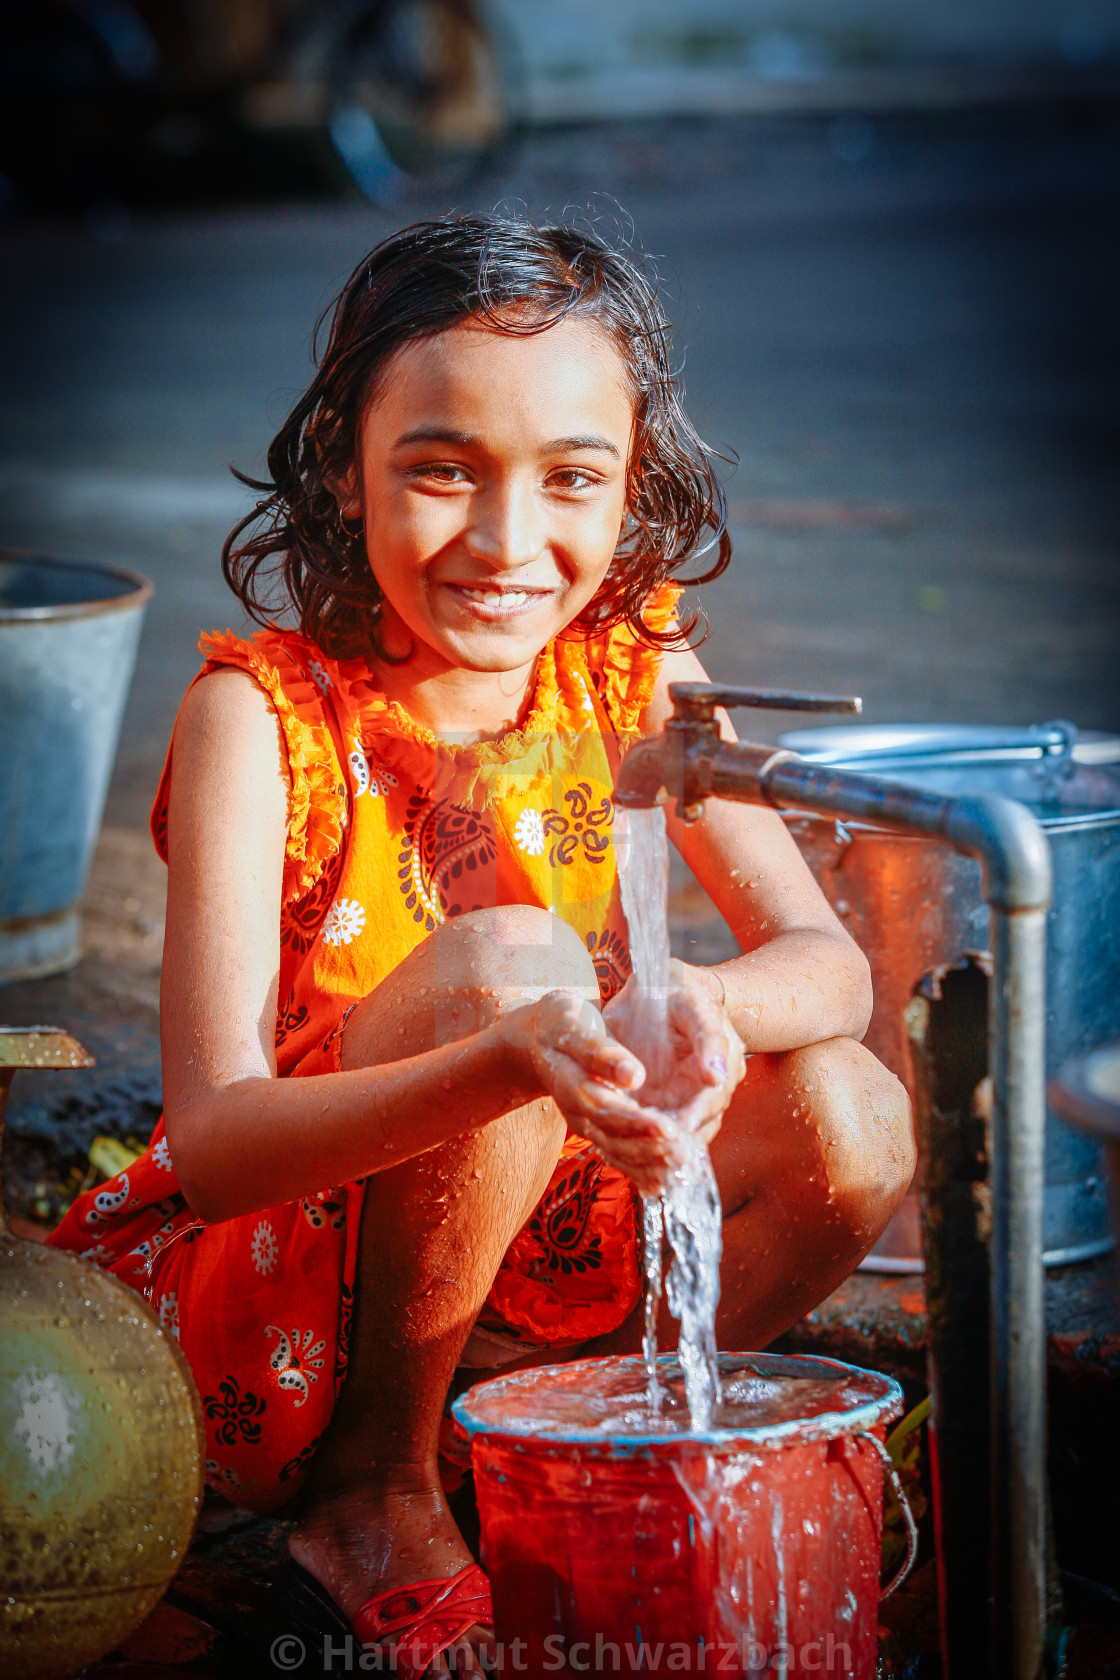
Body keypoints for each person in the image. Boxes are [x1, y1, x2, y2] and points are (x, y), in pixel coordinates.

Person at [49, 214, 914, 1676]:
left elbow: (828, 968)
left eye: (573, 480)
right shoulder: (256, 720)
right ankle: (373, 1504)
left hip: (509, 1257)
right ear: (342, 464)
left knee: (852, 1106)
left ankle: (559, 1455)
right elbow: (218, 1145)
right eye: (442, 471)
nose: (512, 547)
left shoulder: (631, 663)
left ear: (634, 481)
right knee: (517, 961)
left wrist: (689, 1002)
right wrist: (518, 1050)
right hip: (269, 1317)